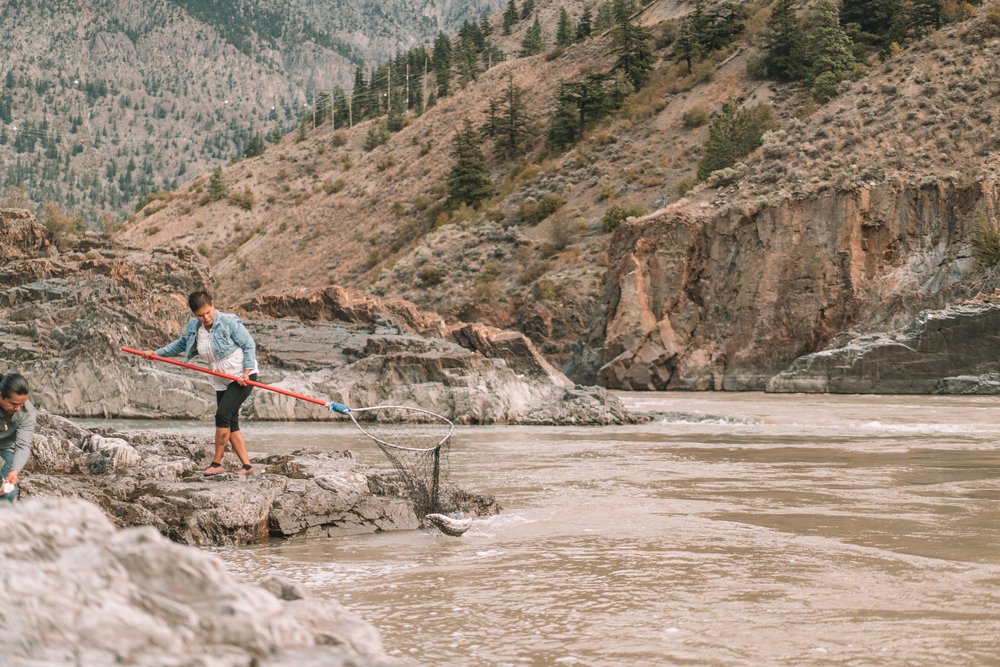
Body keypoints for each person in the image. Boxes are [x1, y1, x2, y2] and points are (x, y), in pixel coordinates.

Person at [148, 290, 259, 476]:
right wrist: (156, 354)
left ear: (213, 305)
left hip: (242, 375)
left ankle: (216, 463)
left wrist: (246, 373)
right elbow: (180, 344)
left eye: (208, 312)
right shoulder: (194, 327)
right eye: (200, 315)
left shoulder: (229, 322)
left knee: (223, 414)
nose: (206, 318)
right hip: (221, 377)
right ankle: (247, 467)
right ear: (194, 314)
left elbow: (249, 345)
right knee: (231, 420)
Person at [0, 373, 36, 503]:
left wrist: (15, 471)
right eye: (14, 404)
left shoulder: (28, 412)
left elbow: (23, 446)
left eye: (22, 404)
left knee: (7, 491)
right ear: (1, 396)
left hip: (6, 447)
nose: (18, 408)